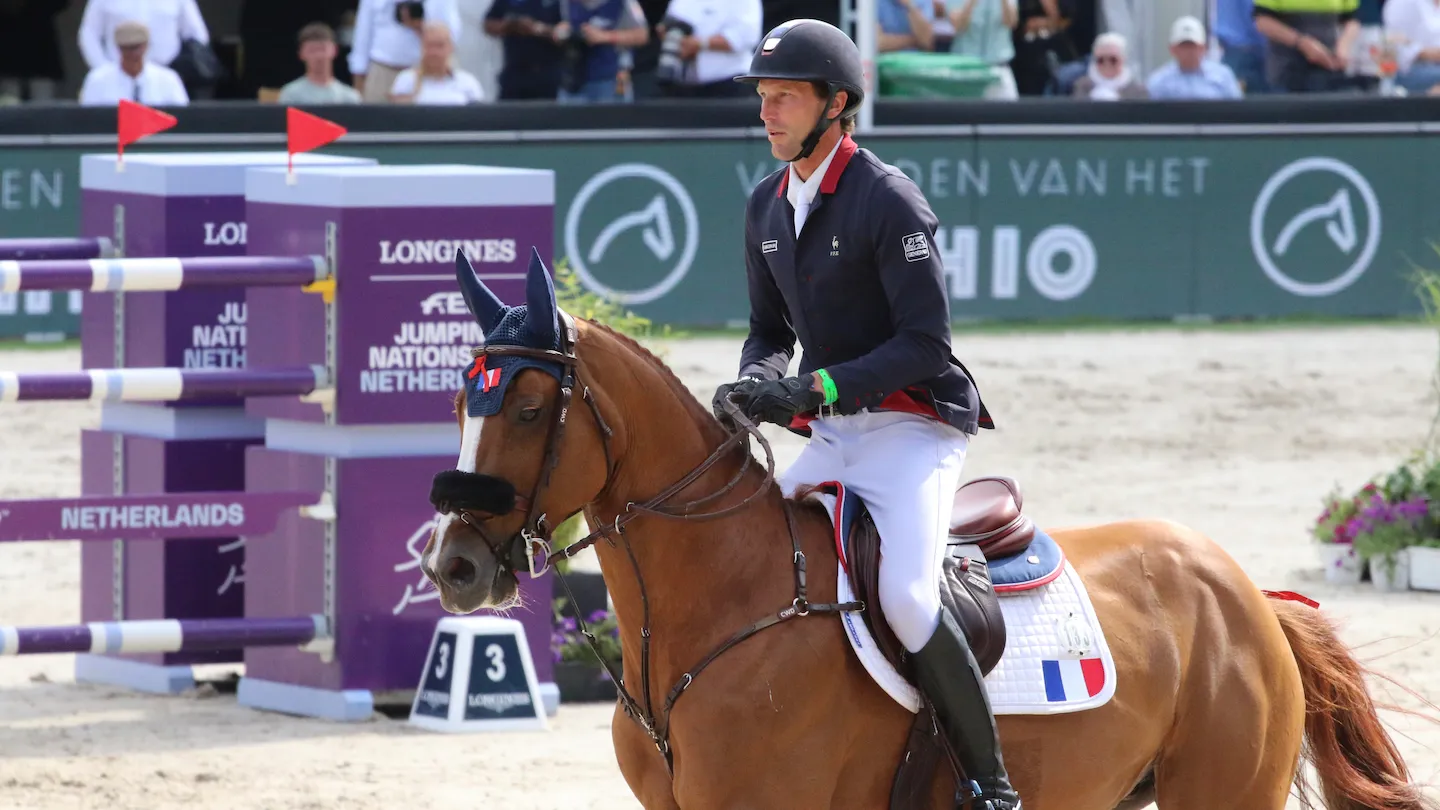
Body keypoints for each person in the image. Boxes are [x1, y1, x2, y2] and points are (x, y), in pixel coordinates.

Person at [715, 18, 1016, 810]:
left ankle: (991, 784)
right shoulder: (764, 208)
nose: (768, 112)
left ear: (836, 104)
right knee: (744, 559)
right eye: (763, 98)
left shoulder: (888, 201)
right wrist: (757, 381)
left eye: (784, 97)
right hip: (839, 433)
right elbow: (769, 332)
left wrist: (811, 392)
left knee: (909, 598)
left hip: (916, 427)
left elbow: (926, 344)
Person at [78, 19, 189, 107]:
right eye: (126, 48)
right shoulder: (97, 80)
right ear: (119, 48)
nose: (132, 54)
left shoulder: (168, 80)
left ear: (146, 46)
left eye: (136, 47)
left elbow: (182, 119)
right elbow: (88, 120)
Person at [388, 20, 486, 103]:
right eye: (429, 45)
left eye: (440, 46)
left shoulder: (467, 83)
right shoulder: (406, 80)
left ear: (450, 48)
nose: (434, 52)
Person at [277, 22, 363, 104]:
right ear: (301, 54)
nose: (318, 56)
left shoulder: (349, 97)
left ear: (334, 50)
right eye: (312, 50)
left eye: (322, 49)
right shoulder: (291, 95)